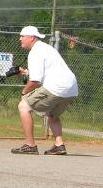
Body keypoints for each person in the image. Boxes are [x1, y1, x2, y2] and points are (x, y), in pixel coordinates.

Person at [10, 25, 78, 155]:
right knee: (52, 114)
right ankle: (59, 145)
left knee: (23, 106)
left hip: (57, 87)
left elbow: (35, 81)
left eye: (22, 36)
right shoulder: (46, 48)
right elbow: (46, 72)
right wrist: (26, 72)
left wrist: (24, 92)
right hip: (72, 89)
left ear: (31, 37)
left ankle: (30, 145)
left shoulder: (35, 52)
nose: (20, 39)